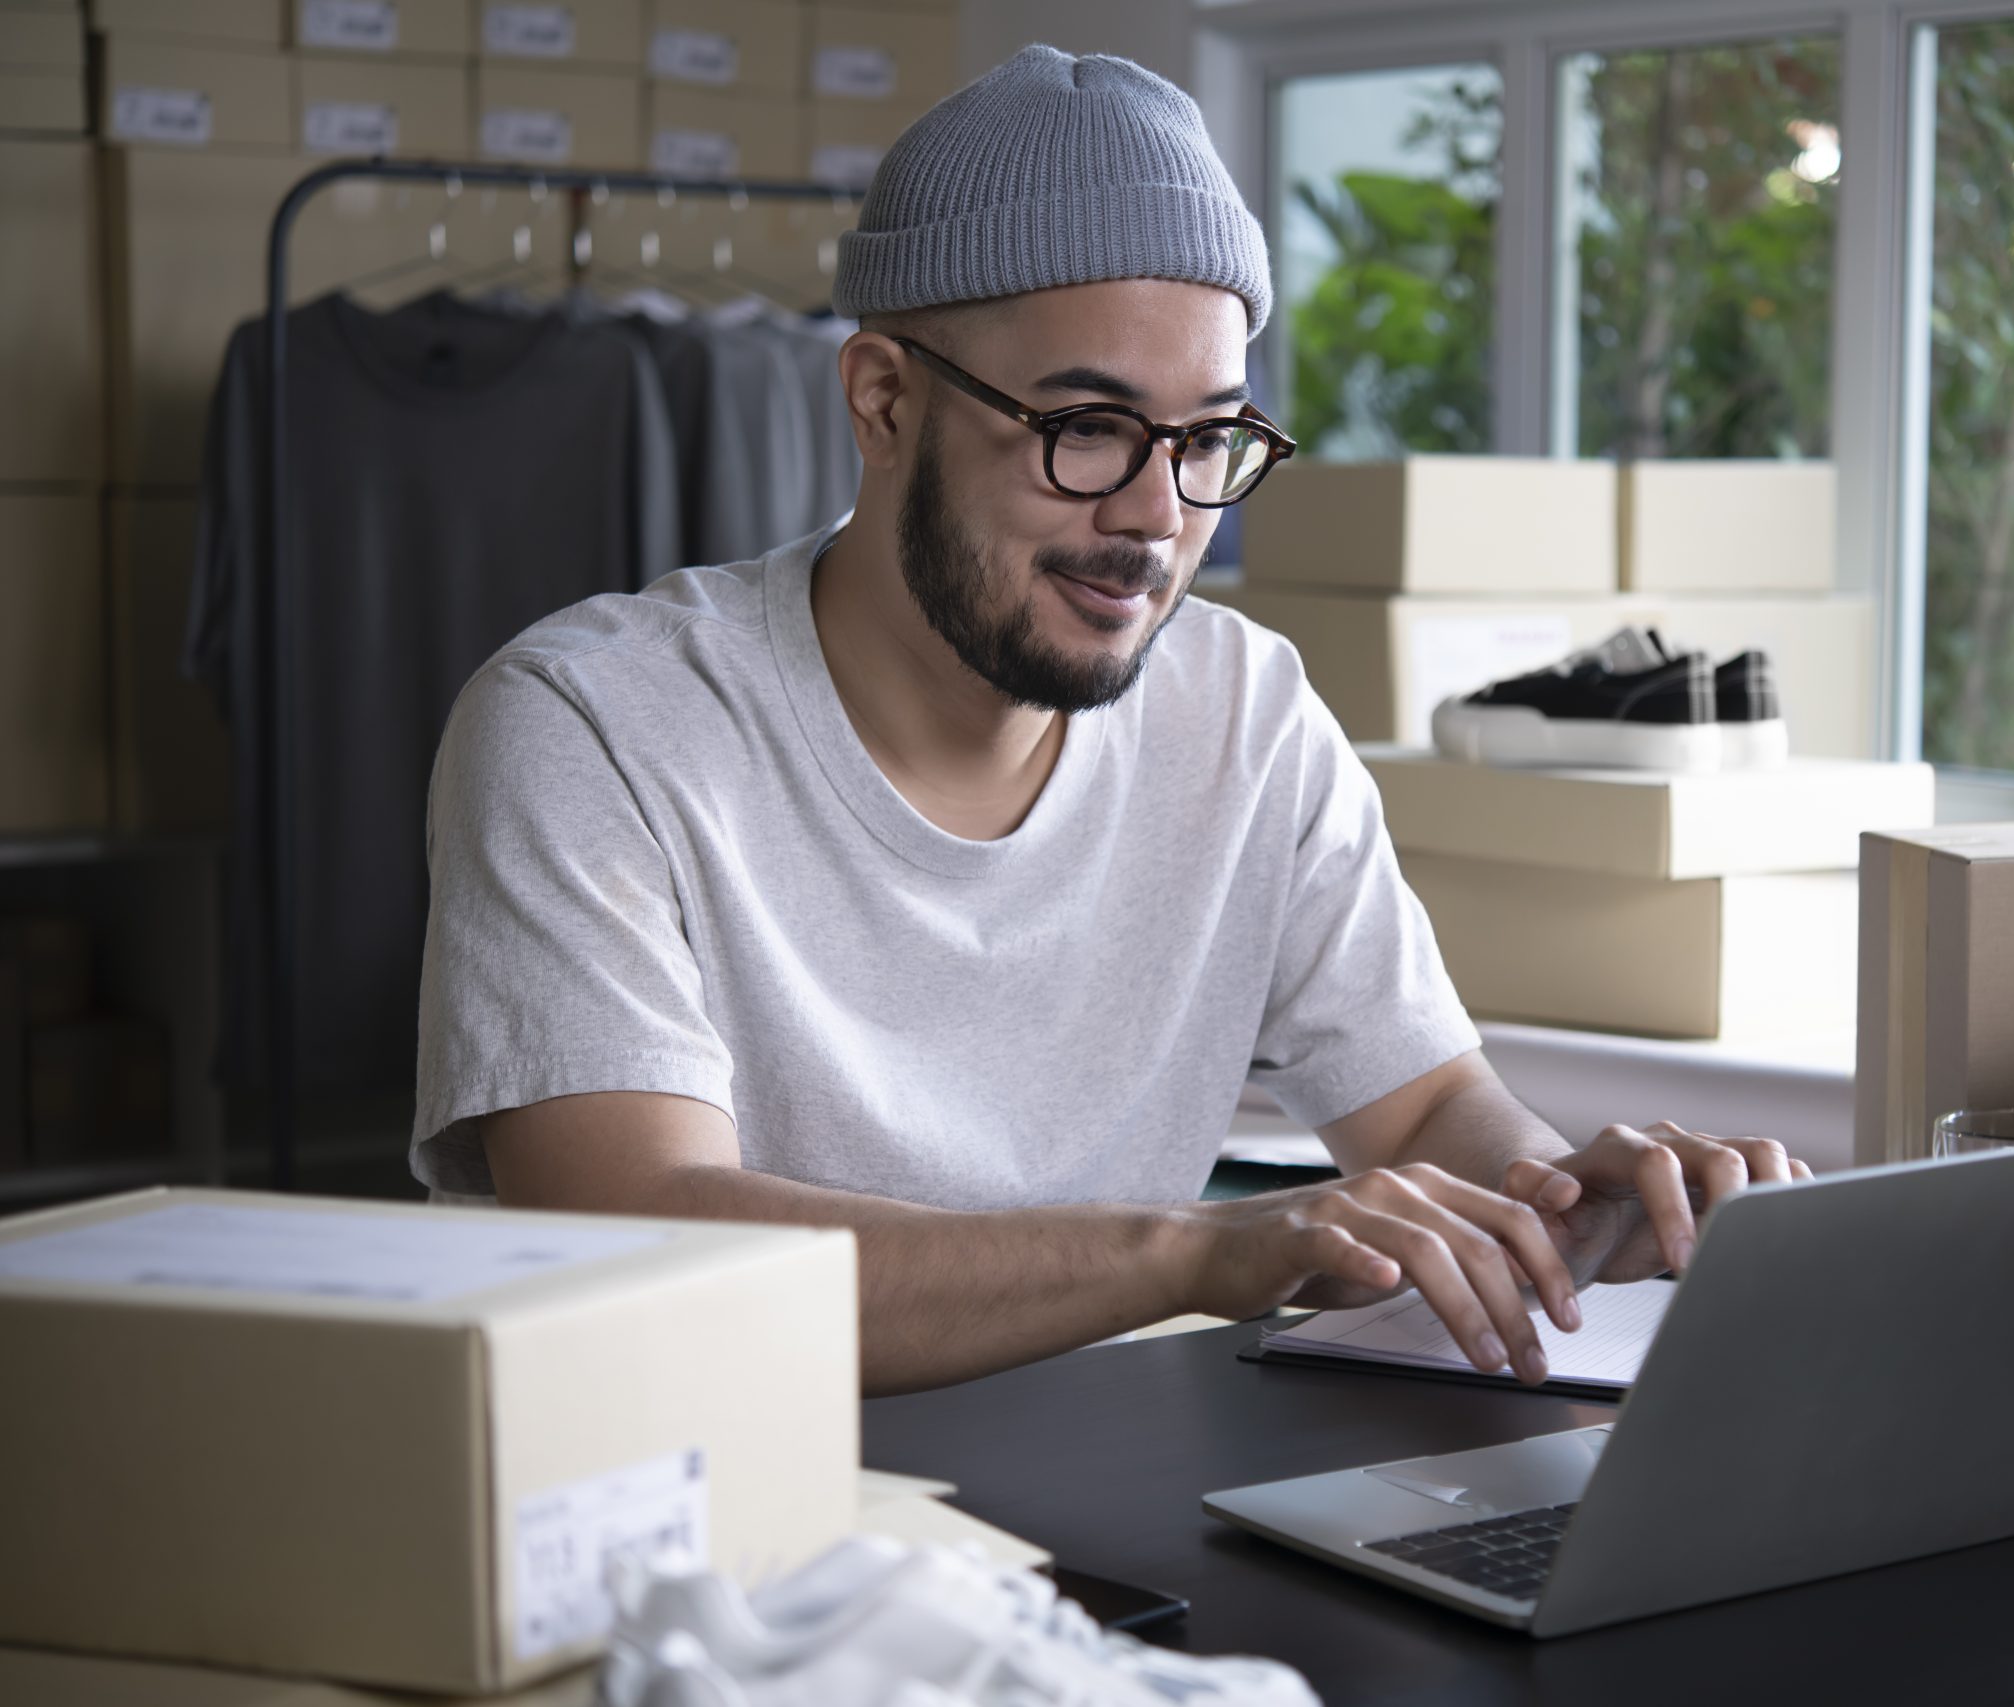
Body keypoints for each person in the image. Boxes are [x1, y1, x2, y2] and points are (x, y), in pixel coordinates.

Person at [412, 44, 1807, 1395]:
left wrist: (1559, 1198)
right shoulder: (592, 726)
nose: (1153, 516)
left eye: (1208, 440)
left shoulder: (1244, 713)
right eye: (1087, 424)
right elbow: (641, 1238)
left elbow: (1429, 1107)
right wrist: (1199, 1250)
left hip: (1104, 1500)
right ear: (885, 400)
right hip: (710, 1529)